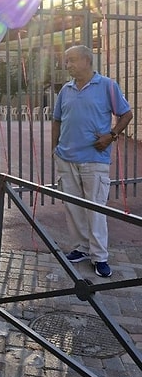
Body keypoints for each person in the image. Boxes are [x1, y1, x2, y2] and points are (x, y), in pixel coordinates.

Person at [52, 45, 132, 278]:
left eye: (72, 60)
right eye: (66, 61)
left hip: (94, 159)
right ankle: (81, 248)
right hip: (66, 158)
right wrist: (54, 148)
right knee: (74, 208)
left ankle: (100, 256)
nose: (67, 65)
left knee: (95, 209)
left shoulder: (107, 86)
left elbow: (126, 114)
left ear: (87, 61)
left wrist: (112, 135)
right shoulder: (65, 90)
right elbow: (57, 120)